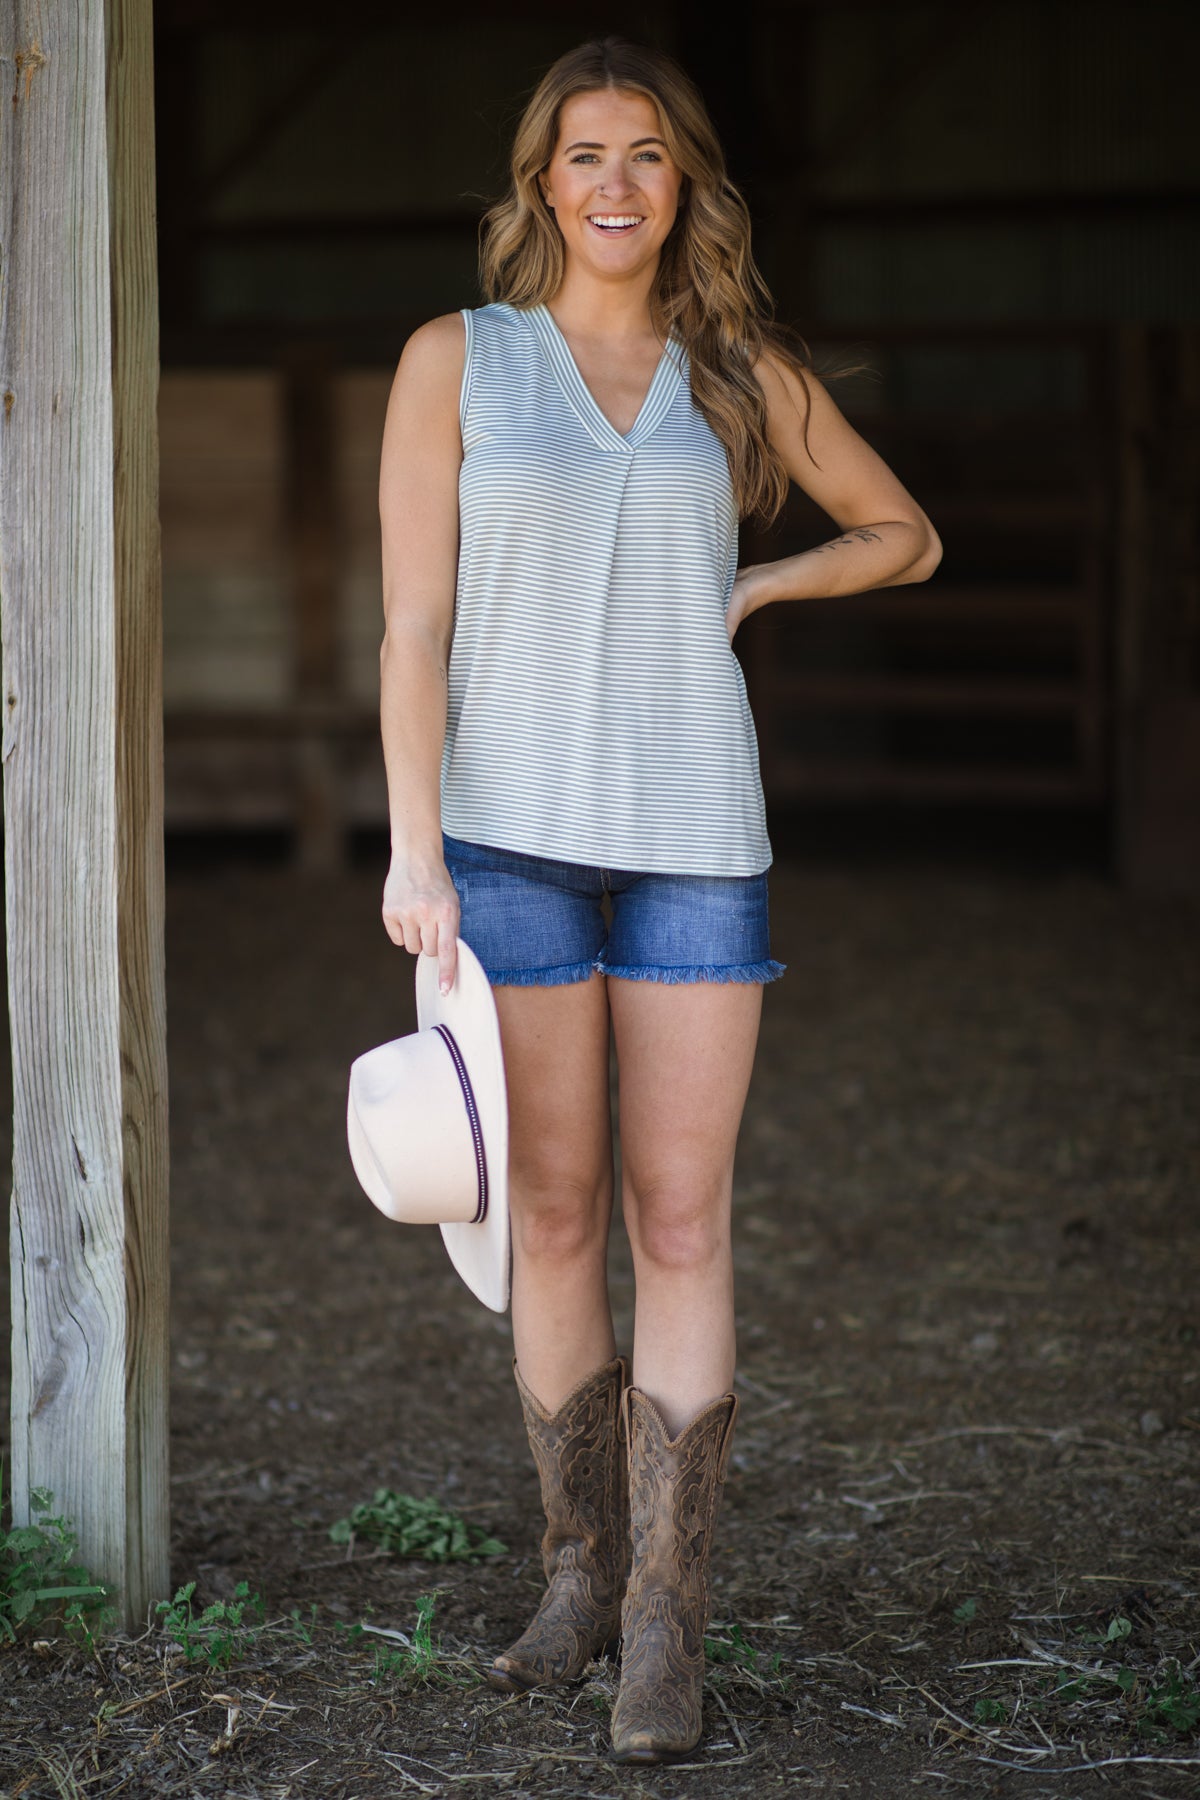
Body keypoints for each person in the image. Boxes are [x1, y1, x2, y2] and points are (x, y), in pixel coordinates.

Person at [376, 36, 940, 1764]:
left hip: (697, 833)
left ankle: (662, 1636)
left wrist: (763, 579)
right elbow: (413, 631)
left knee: (678, 1220)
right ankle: (571, 1580)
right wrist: (414, 848)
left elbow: (903, 532)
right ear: (539, 184)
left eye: (645, 156)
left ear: (683, 182)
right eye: (581, 155)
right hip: (508, 844)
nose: (614, 184)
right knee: (550, 1216)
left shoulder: (734, 368)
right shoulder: (456, 361)